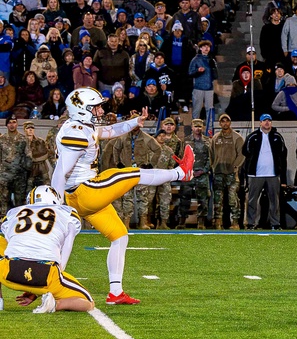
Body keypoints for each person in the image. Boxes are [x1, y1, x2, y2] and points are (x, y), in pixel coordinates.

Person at [52, 89, 194, 305]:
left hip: (84, 195)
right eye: (95, 107)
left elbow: (109, 130)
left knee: (120, 236)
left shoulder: (81, 127)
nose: (100, 110)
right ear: (81, 110)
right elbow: (60, 172)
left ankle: (115, 292)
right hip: (84, 192)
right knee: (130, 173)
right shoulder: (76, 132)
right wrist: (57, 205)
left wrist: (134, 121)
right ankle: (180, 173)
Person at [0, 185, 94, 314]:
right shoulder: (66, 213)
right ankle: (55, 304)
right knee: (88, 302)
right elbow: (68, 243)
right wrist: (57, 273)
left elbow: (11, 243)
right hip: (45, 277)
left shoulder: (14, 213)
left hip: (7, 274)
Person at [242, 113, 288, 231]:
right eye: (264, 120)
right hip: (255, 174)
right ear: (260, 123)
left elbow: (283, 155)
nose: (267, 123)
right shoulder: (252, 136)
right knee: (252, 200)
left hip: (272, 174)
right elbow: (245, 151)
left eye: (269, 120)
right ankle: (251, 223)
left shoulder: (277, 137)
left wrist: (282, 177)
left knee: (274, 201)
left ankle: (275, 223)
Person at [211, 113, 244, 230]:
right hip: (218, 173)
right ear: (220, 123)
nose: (225, 123)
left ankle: (235, 222)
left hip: (232, 174)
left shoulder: (237, 137)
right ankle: (218, 222)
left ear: (230, 122)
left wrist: (235, 166)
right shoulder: (215, 138)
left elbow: (242, 154)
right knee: (217, 199)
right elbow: (211, 154)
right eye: (222, 121)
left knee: (233, 198)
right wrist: (213, 166)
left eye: (227, 121)